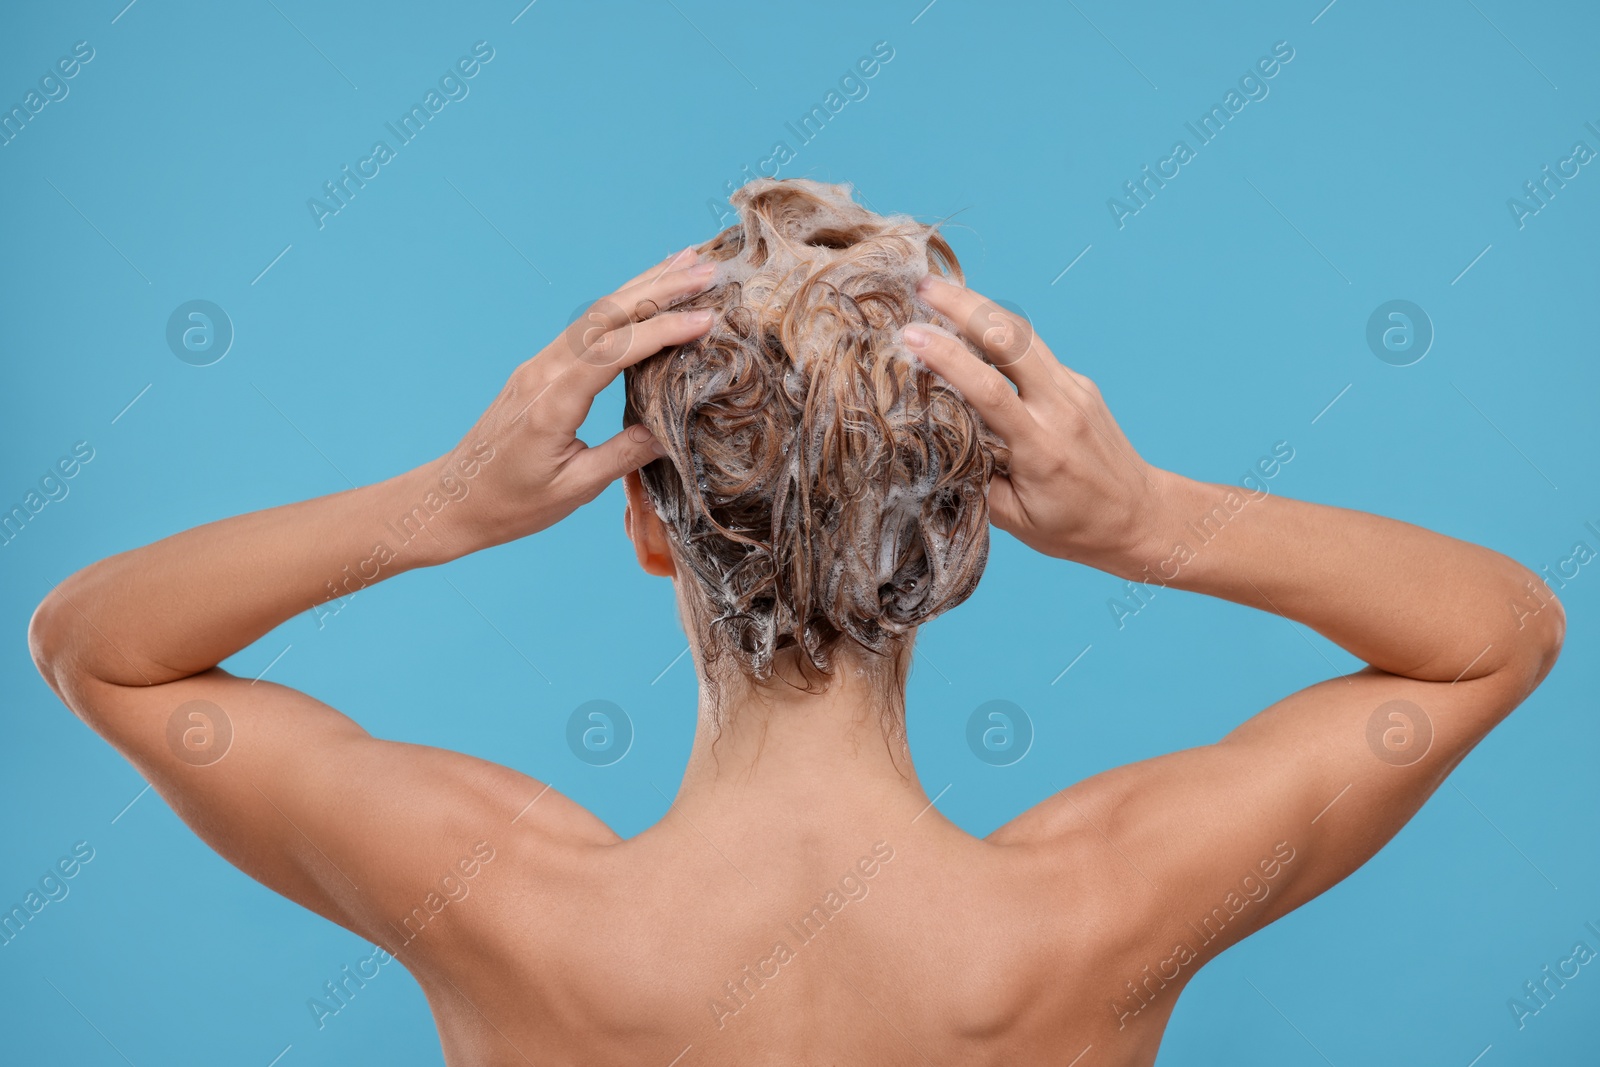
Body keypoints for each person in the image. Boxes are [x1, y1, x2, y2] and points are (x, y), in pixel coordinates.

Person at [29, 179, 1564, 1066]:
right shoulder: (1096, 912)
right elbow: (1500, 630)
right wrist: (1157, 520)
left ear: (642, 525)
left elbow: (94, 643)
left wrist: (443, 505)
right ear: (966, 530)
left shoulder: (503, 902)